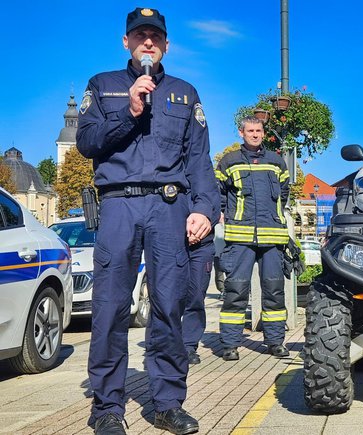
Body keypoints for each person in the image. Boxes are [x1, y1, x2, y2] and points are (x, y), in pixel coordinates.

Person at [76, 7, 219, 434]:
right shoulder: (103, 86)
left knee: (168, 306)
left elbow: (199, 160)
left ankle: (167, 403)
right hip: (119, 204)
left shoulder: (184, 92)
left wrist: (204, 209)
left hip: (169, 208)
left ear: (167, 44)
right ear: (126, 42)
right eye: (140, 35)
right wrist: (130, 111)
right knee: (110, 307)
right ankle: (106, 407)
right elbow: (86, 142)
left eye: (155, 36)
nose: (148, 42)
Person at [215, 116, 291, 361]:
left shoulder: (276, 162)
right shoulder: (228, 162)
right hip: (240, 237)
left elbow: (284, 193)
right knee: (235, 290)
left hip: (272, 237)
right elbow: (219, 194)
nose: (255, 134)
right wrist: (224, 215)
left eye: (259, 130)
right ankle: (229, 344)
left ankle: (275, 342)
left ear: (263, 133)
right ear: (241, 132)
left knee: (274, 291)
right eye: (251, 130)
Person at [182, 231, 216, 365]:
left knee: (196, 297)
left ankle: (188, 345)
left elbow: (215, 211)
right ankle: (166, 345)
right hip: (170, 244)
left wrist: (198, 231)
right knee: (169, 299)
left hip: (201, 245)